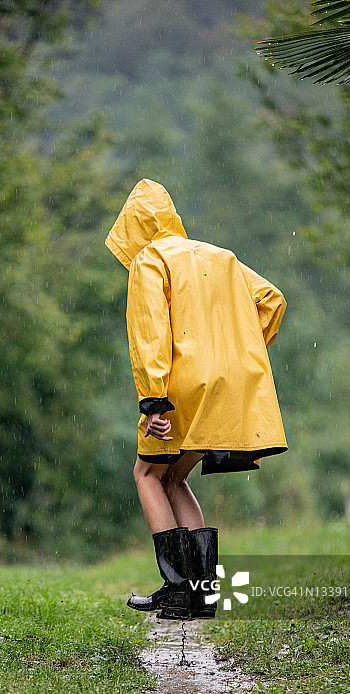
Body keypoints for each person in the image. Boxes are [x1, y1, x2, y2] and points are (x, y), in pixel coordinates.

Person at [105, 178, 287, 621]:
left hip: (181, 385)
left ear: (134, 227)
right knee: (174, 479)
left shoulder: (151, 258)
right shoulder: (220, 257)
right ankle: (204, 593)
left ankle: (176, 589)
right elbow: (272, 301)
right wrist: (235, 350)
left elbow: (150, 332)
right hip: (230, 384)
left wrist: (153, 400)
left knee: (147, 474)